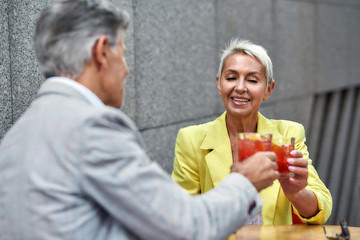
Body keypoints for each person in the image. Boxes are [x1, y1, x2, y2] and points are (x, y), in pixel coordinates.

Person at [0, 1, 281, 240]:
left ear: (268, 89)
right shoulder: (94, 127)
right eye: (122, 55)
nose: (126, 70)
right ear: (101, 52)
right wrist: (245, 181)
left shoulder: (17, 134)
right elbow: (186, 226)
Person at [172, 39, 332, 225]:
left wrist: (295, 193)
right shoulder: (191, 139)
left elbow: (322, 209)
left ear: (268, 90)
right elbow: (180, 215)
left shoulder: (289, 133)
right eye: (231, 78)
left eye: (252, 80)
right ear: (219, 84)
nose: (240, 88)